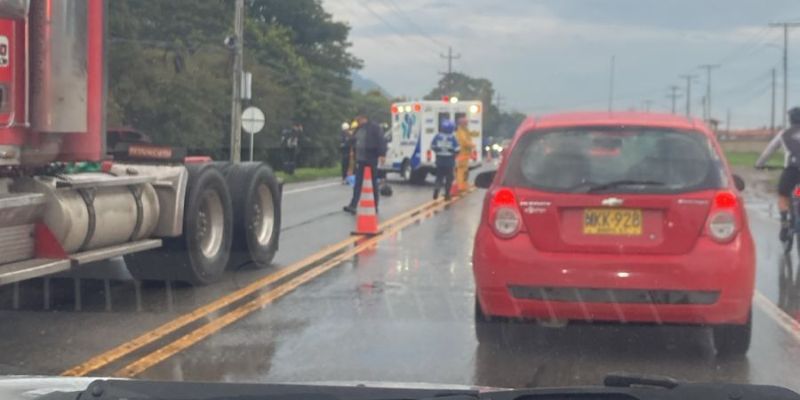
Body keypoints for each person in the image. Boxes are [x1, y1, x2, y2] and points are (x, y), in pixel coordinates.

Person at [755, 107, 800, 242]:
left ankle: (784, 223)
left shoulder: (784, 133)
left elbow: (769, 151)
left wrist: (759, 164)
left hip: (791, 170)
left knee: (783, 194)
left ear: (790, 120)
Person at [343, 113, 387, 214]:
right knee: (358, 183)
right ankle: (353, 205)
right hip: (360, 159)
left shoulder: (374, 128)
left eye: (358, 119)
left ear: (363, 117)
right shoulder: (359, 128)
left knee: (373, 183)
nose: (357, 121)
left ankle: (375, 205)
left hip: (371, 157)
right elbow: (353, 140)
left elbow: (381, 141)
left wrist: (382, 154)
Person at [431, 119, 460, 200]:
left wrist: (438, 151)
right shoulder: (452, 138)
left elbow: (432, 146)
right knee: (449, 179)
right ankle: (447, 195)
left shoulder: (437, 136)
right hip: (449, 161)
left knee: (439, 177)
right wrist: (453, 152)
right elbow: (457, 149)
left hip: (439, 161)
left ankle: (436, 189)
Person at [455, 116, 476, 192]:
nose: (467, 123)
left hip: (465, 154)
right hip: (462, 154)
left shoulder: (465, 130)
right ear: (461, 123)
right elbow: (464, 142)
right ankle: (460, 186)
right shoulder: (460, 131)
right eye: (465, 122)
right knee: (461, 171)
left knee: (465, 171)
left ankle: (464, 185)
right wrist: (472, 145)